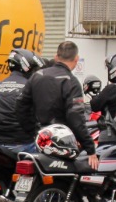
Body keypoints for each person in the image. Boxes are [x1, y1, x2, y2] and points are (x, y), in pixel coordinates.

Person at [19, 40, 97, 168]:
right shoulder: (71, 82)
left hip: (39, 138)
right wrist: (90, 149)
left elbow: (21, 106)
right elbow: (76, 117)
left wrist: (33, 131)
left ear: (56, 57)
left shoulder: (36, 76)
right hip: (61, 143)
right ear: (76, 60)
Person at [0, 48, 44, 147]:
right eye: (34, 69)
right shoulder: (30, 88)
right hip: (24, 144)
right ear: (26, 67)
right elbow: (38, 119)